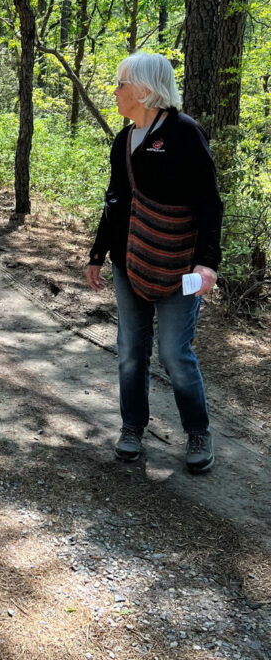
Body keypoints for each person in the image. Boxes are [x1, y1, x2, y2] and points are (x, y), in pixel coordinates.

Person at [85, 51, 223, 473]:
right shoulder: (123, 139)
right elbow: (115, 203)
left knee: (174, 353)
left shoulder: (184, 133)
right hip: (129, 262)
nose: (115, 91)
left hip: (180, 264)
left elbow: (209, 204)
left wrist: (207, 263)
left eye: (121, 84)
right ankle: (132, 427)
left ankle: (197, 431)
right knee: (130, 350)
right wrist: (97, 254)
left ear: (144, 89)